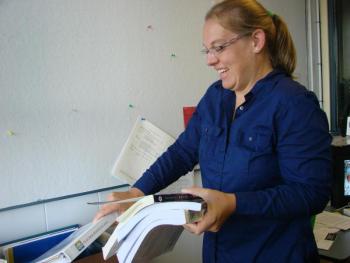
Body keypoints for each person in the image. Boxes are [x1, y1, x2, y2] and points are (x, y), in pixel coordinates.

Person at [95, 0, 332, 262]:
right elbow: (183, 152)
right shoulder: (215, 98)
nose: (210, 60)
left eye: (218, 47)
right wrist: (136, 193)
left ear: (256, 41)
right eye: (207, 50)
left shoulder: (294, 104)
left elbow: (311, 192)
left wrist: (233, 203)